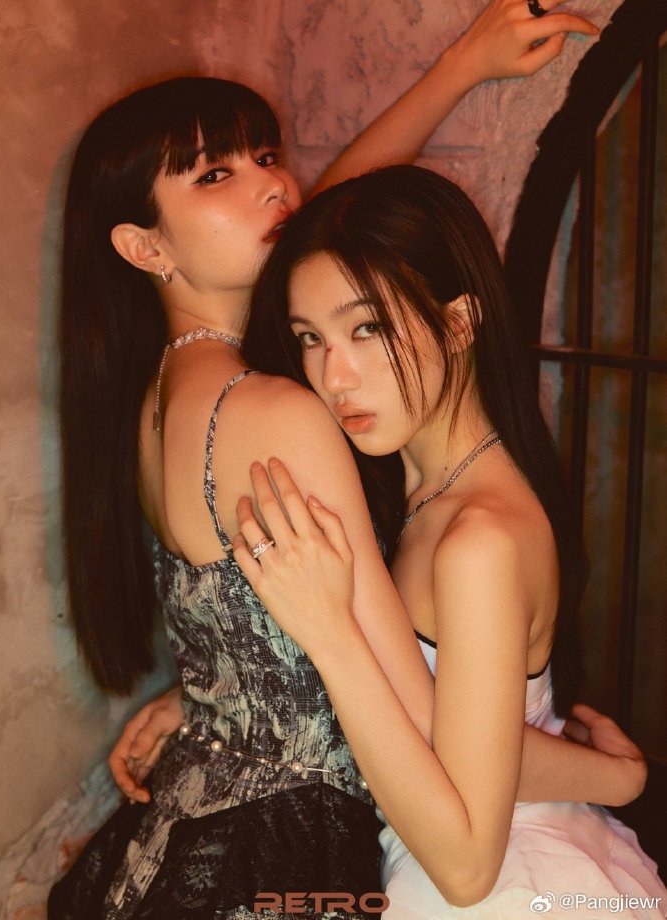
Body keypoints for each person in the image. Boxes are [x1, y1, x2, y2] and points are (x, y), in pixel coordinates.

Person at [49, 5, 640, 918]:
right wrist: (617, 778)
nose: (273, 186)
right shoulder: (277, 410)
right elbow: (426, 726)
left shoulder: (159, 396)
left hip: (219, 806)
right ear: (145, 246)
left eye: (268, 156)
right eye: (217, 174)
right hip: (301, 833)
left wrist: (461, 67)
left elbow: (344, 246)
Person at [229, 165, 667, 918]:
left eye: (367, 328)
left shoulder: (479, 543)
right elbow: (459, 730)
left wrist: (329, 634)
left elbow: (467, 868)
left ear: (459, 323)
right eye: (311, 338)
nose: (335, 375)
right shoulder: (412, 487)